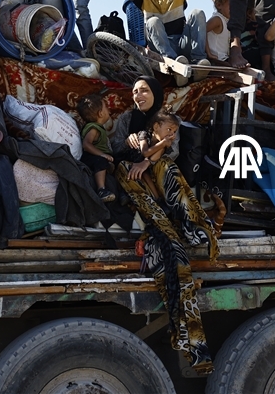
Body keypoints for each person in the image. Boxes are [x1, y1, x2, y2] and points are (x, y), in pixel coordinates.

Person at [110, 76, 217, 374]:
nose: (138, 95)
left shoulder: (166, 121)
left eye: (144, 90)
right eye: (134, 91)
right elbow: (114, 149)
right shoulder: (125, 120)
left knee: (165, 165)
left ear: (155, 93)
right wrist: (128, 144)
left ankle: (192, 224)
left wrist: (148, 159)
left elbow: (173, 149)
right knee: (173, 254)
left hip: (161, 181)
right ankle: (191, 342)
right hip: (133, 183)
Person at [107, 0, 217, 82]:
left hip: (182, 42)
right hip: (161, 49)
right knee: (152, 21)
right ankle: (174, 64)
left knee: (197, 13)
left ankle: (198, 61)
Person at [77, 93, 116, 203]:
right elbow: (86, 144)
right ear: (100, 113)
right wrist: (102, 155)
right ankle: (101, 190)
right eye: (106, 107)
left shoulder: (98, 127)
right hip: (91, 157)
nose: (108, 109)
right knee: (101, 161)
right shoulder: (93, 128)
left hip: (99, 156)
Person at [205, 0, 231, 64]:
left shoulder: (227, 21)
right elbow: (202, 31)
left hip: (223, 57)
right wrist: (208, 53)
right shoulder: (217, 19)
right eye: (230, 5)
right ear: (219, 5)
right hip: (216, 58)